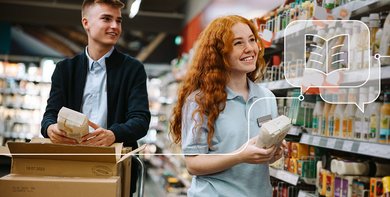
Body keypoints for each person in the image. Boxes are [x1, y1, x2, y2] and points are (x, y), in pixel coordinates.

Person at [40, 0, 150, 195]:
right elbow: (49, 115)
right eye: (107, 19)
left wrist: (113, 134)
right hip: (71, 166)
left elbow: (141, 120)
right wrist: (50, 128)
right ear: (86, 23)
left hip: (116, 168)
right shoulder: (65, 69)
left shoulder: (133, 69)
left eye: (118, 20)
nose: (115, 26)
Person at [170, 15, 285, 196]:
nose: (250, 48)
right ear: (220, 53)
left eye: (252, 40)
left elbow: (261, 158)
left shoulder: (266, 97)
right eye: (238, 43)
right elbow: (193, 165)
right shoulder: (200, 101)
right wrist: (239, 156)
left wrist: (272, 153)